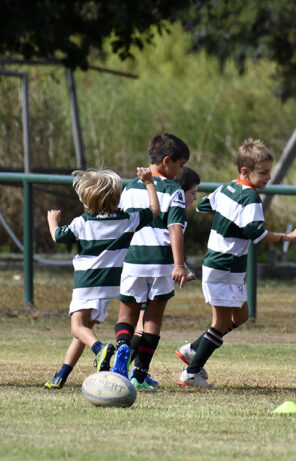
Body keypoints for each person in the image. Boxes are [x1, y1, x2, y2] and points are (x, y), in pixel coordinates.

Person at [176, 139, 296, 388]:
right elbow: (256, 234)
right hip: (224, 264)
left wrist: (227, 218)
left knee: (242, 315)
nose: (268, 177)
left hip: (227, 266)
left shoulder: (226, 188)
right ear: (245, 171)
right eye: (263, 172)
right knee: (221, 323)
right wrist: (285, 237)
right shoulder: (251, 198)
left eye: (269, 172)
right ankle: (191, 372)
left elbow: (204, 205)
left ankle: (193, 349)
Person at [43, 167, 159, 389]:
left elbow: (58, 236)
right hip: (110, 286)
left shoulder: (82, 222)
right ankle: (61, 376)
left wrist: (52, 220)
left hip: (87, 282)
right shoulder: (127, 220)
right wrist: (148, 183)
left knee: (76, 328)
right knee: (83, 331)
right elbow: (155, 209)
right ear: (117, 197)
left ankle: (100, 349)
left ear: (87, 199)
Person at [112, 133, 190, 391]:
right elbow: (175, 227)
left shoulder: (130, 187)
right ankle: (140, 373)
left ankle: (122, 352)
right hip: (160, 261)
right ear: (166, 162)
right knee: (152, 320)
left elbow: (122, 224)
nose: (180, 172)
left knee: (127, 314)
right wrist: (179, 264)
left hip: (133, 259)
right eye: (179, 165)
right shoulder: (174, 190)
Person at [128, 166, 201, 389]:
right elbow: (168, 236)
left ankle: (132, 372)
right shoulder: (174, 204)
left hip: (139, 264)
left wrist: (182, 266)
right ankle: (131, 373)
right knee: (146, 323)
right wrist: (179, 265)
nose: (194, 198)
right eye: (193, 193)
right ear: (181, 190)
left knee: (141, 323)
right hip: (154, 267)